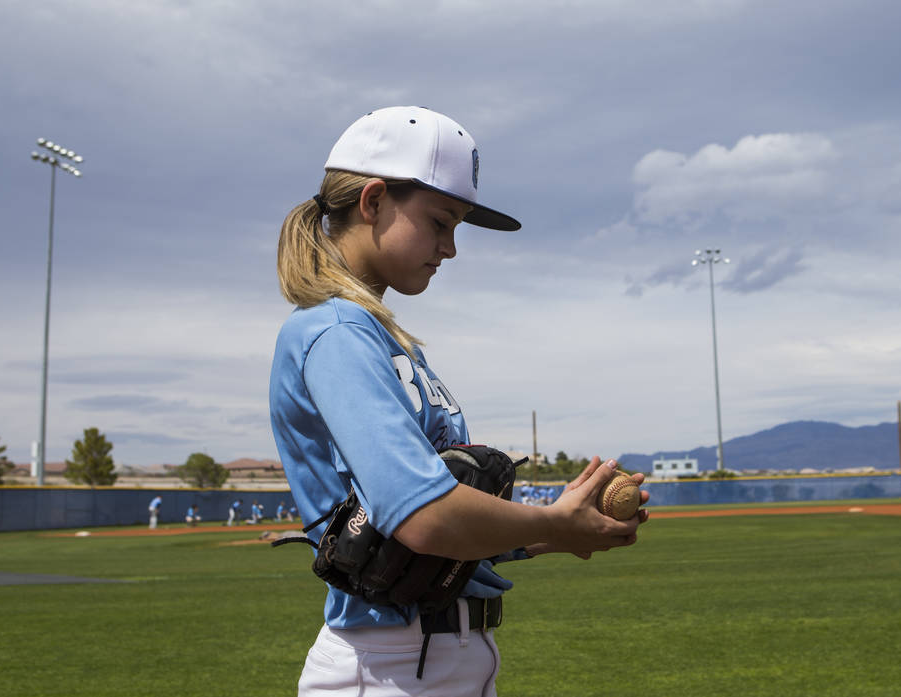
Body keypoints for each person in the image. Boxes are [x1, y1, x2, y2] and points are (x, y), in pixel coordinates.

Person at [269, 105, 648, 697]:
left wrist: (563, 529)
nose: (449, 248)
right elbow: (422, 517)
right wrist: (552, 520)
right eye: (440, 222)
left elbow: (436, 536)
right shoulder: (335, 333)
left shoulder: (381, 336)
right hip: (389, 665)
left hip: (437, 658)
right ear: (372, 201)